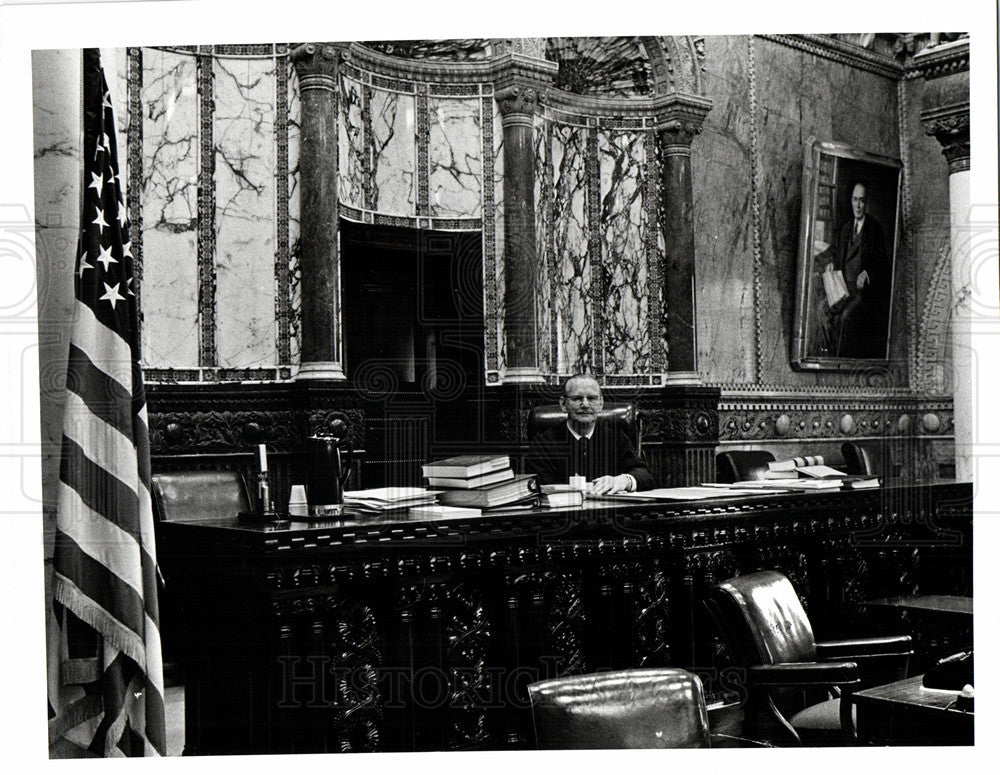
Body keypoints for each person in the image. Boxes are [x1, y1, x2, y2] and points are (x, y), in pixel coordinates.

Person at [524, 374, 655, 494]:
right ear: (563, 404)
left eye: (592, 398)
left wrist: (623, 481)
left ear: (601, 404)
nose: (585, 404)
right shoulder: (544, 444)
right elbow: (538, 488)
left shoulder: (615, 438)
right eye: (577, 398)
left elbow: (645, 475)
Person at [823, 182, 891, 358]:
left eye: (861, 200)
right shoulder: (846, 228)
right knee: (820, 309)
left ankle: (838, 361)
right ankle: (828, 354)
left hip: (861, 292)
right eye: (855, 200)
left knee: (845, 317)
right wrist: (831, 262)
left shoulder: (874, 228)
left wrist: (869, 273)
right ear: (851, 201)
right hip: (843, 288)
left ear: (866, 202)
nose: (858, 205)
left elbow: (883, 264)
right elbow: (836, 253)